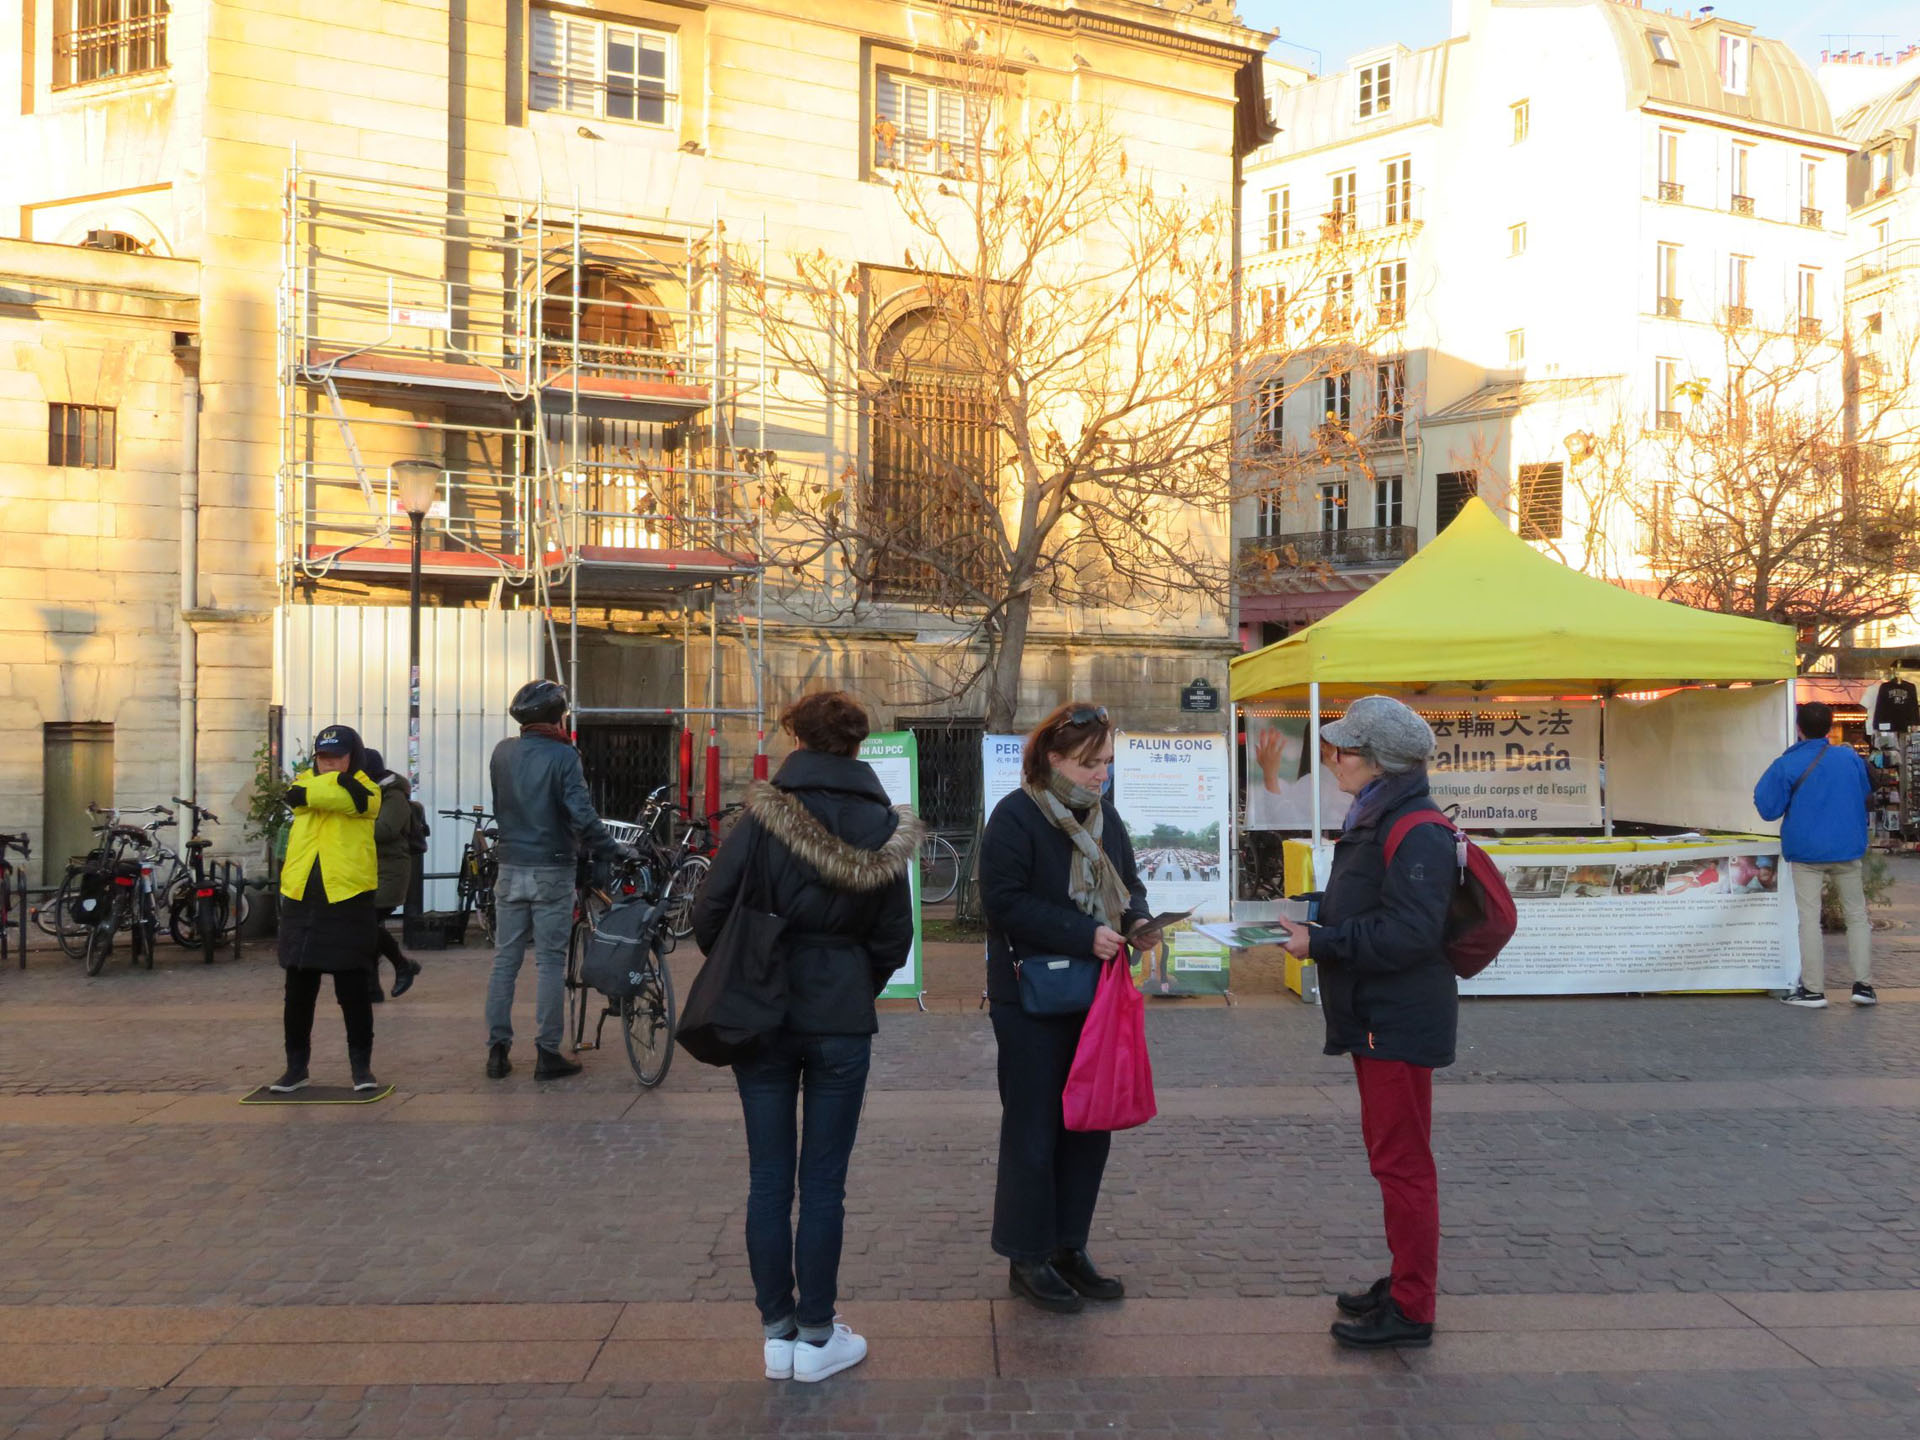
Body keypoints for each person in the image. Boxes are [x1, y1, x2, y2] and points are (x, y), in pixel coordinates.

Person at [690, 691, 921, 1384]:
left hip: (761, 1011)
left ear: (796, 737)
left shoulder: (762, 817)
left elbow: (709, 912)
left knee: (769, 1179)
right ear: (856, 746)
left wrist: (748, 959)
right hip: (840, 1015)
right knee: (824, 1182)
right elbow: (893, 938)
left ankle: (778, 1335)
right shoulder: (883, 825)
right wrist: (852, 979)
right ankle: (819, 1336)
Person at [1277, 695, 1455, 1351]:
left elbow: (1409, 933)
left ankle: (1413, 1308)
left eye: (1344, 750)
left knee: (1402, 1164)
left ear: (1378, 762)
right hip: (1380, 1015)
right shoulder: (1383, 815)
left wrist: (1322, 943)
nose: (1332, 759)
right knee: (1394, 1160)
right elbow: (1374, 901)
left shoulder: (1414, 828)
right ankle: (1406, 1283)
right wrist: (1320, 917)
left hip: (1396, 1020)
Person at [979, 702, 1158, 1315]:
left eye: (1106, 762)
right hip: (1030, 997)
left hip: (1097, 996)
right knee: (1034, 1128)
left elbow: (1128, 886)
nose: (1100, 774)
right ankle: (1026, 1257)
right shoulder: (1016, 816)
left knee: (1089, 1125)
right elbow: (1002, 903)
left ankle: (1068, 1247)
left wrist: (1138, 921)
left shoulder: (1107, 819)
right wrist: (1080, 934)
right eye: (1089, 764)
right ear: (1053, 759)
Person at [486, 680, 627, 1080]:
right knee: (549, 962)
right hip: (552, 868)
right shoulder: (564, 755)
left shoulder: (502, 753)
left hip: (510, 866)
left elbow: (501, 807)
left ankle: (497, 1052)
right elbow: (581, 814)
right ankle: (547, 1053)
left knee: (504, 962)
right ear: (556, 715)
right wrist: (610, 848)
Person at [269, 724, 385, 1094]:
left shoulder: (368, 787)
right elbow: (294, 796)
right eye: (323, 758)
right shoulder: (307, 782)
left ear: (354, 757)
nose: (329, 764)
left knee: (352, 988)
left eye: (337, 757)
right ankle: (296, 1067)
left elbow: (360, 803)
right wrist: (331, 787)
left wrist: (321, 790)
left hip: (347, 895)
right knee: (299, 989)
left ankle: (361, 1067)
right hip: (303, 894)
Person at [1755, 701, 1875, 1009]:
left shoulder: (1787, 763)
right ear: (1830, 727)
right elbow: (1863, 791)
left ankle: (1813, 991)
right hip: (1847, 848)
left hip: (1806, 852)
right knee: (1857, 916)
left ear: (1799, 728)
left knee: (1808, 919)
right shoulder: (1849, 758)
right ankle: (1864, 986)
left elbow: (1768, 809)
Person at [364, 749, 423, 1002]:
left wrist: (350, 824)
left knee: (364, 923)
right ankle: (371, 989)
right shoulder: (369, 792)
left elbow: (386, 830)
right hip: (368, 870)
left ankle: (402, 964)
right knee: (367, 930)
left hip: (390, 872)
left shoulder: (393, 794)